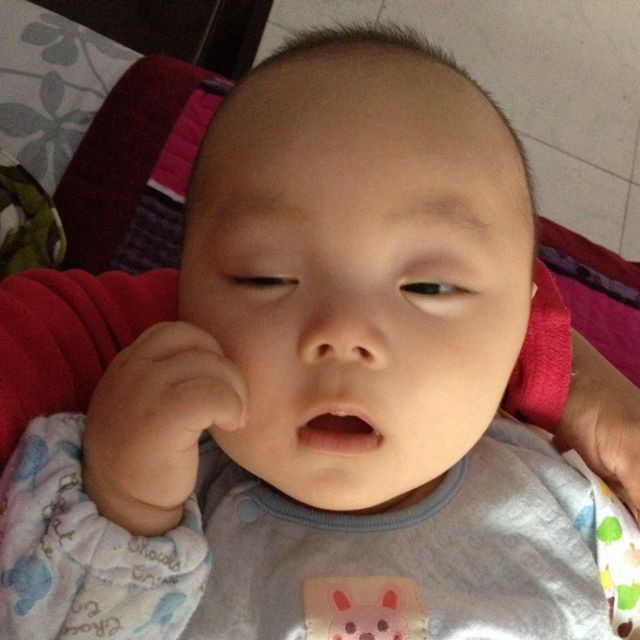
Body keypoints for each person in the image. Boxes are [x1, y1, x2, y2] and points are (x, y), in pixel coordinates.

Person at [1, 23, 639, 639]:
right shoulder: (146, 484)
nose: (342, 333)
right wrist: (124, 503)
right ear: (183, 300)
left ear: (525, 319)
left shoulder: (567, 505)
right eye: (265, 278)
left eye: (428, 287)